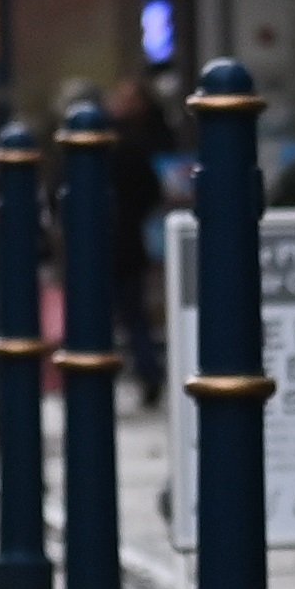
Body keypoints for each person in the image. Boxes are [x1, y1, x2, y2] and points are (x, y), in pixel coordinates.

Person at [103, 72, 173, 407]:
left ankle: (142, 373)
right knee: (133, 317)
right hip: (127, 242)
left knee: (125, 315)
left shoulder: (122, 143)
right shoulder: (134, 142)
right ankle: (146, 373)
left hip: (116, 244)